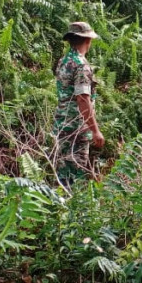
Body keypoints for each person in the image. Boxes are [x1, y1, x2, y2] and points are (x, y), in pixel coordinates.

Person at [54, 21, 105, 186]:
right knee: (77, 175)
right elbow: (83, 100)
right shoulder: (81, 66)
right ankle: (72, 209)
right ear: (88, 41)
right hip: (77, 129)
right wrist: (95, 131)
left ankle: (57, 206)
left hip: (61, 124)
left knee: (62, 171)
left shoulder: (64, 61)